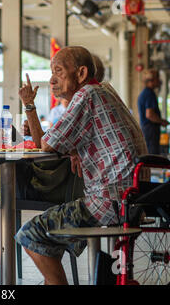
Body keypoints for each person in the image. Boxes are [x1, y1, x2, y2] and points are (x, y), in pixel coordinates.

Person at [15, 46, 147, 285]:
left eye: (59, 71)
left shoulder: (85, 96)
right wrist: (74, 149)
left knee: (29, 233)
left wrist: (29, 105)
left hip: (109, 202)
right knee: (49, 235)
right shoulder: (104, 91)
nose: (51, 79)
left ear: (81, 73)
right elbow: (57, 142)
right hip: (133, 197)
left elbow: (44, 146)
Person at [137, 68, 169, 154]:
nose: (159, 80)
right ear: (151, 80)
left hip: (147, 129)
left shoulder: (144, 93)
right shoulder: (149, 93)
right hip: (150, 129)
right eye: (157, 78)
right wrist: (162, 121)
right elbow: (149, 114)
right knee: (153, 155)